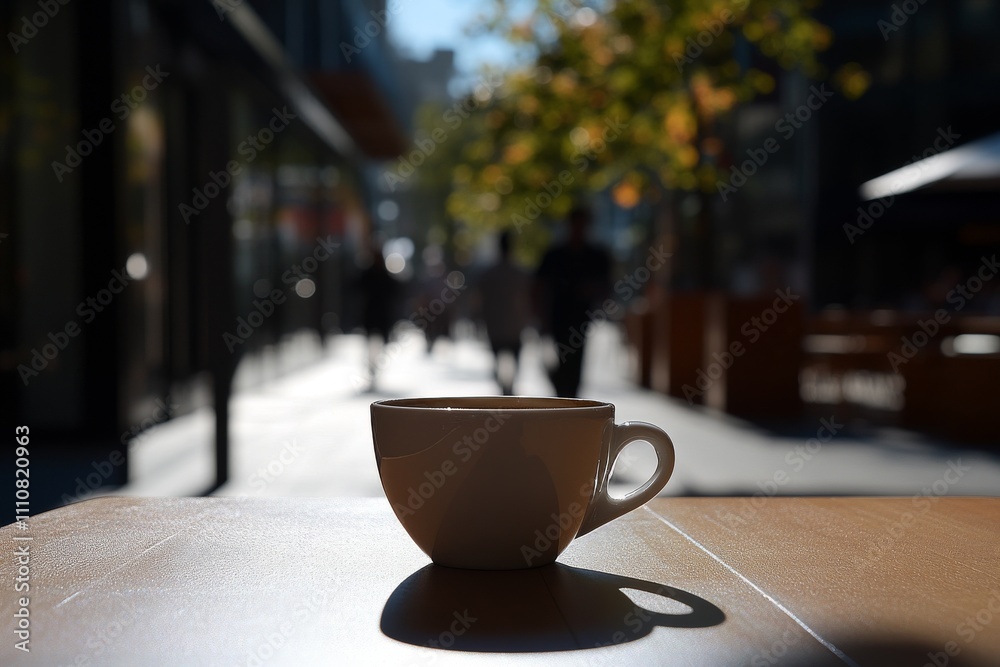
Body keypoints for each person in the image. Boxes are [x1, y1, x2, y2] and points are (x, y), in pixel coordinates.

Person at [534, 206, 612, 398]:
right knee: (561, 364)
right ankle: (565, 399)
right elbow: (539, 287)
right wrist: (541, 318)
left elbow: (606, 287)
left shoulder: (595, 256)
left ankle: (569, 400)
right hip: (558, 318)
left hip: (580, 320)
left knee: (574, 365)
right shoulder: (555, 255)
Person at [478, 231, 531, 395]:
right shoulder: (521, 274)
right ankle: (509, 391)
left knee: (497, 360)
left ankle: (504, 391)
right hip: (515, 327)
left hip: (496, 327)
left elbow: (481, 301)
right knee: (514, 362)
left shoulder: (489, 274)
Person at [356, 239, 399, 389]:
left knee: (377, 345)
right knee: (372, 345)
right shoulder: (371, 274)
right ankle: (372, 368)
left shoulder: (381, 275)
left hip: (379, 316)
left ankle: (374, 368)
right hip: (374, 315)